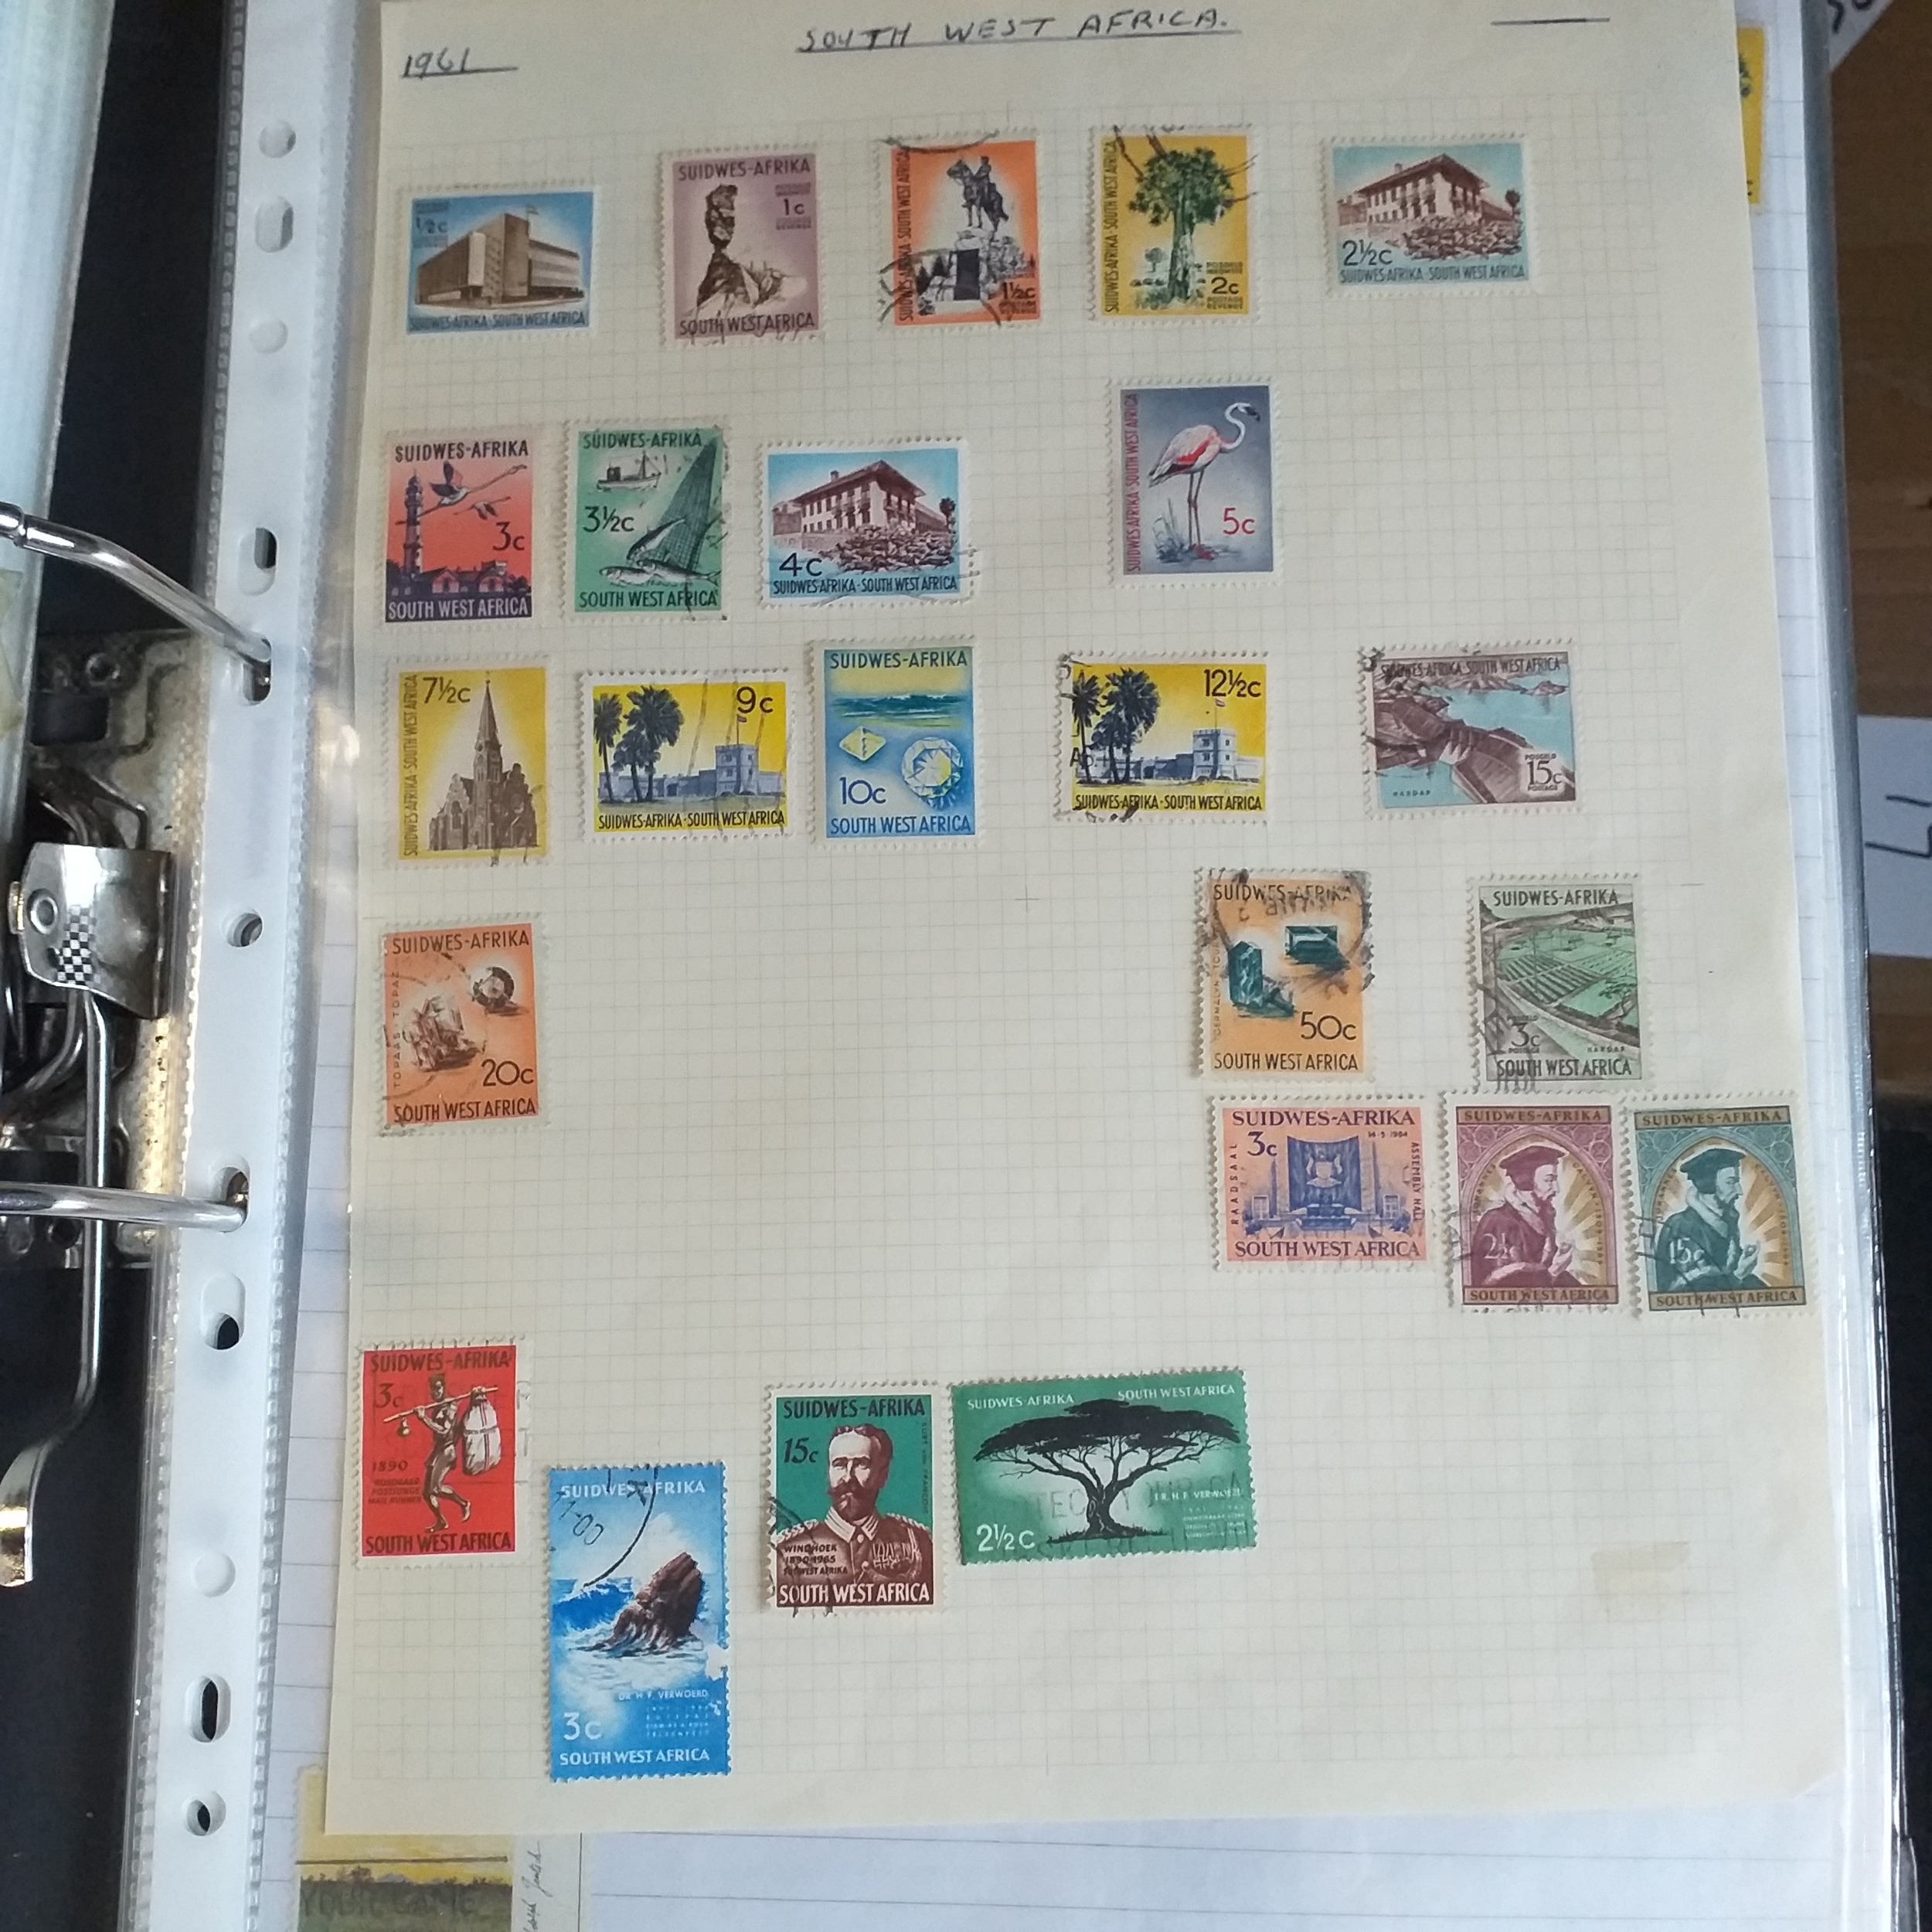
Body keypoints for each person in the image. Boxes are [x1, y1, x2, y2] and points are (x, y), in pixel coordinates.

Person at [774, 1423, 933, 1598]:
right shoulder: (788, 1549)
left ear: (883, 1475)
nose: (848, 1477)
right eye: (839, 1465)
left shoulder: (919, 1543)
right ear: (828, 1472)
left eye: (861, 1464)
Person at [1655, 1145, 1763, 1292]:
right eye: (1731, 1182)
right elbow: (1691, 1291)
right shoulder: (1682, 1226)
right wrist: (1738, 1274)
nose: (1739, 1191)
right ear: (1708, 1184)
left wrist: (1743, 1260)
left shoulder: (1727, 1221)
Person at [1469, 1143, 1577, 1287]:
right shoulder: (1497, 1221)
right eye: (1549, 1180)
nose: (1556, 1189)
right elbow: (1500, 1286)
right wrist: (1554, 1271)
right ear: (1527, 1181)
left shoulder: (1544, 1219)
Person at [417, 1372, 474, 1532]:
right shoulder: (436, 1407)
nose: (435, 1392)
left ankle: (464, 1503)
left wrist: (424, 1419)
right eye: (433, 1389)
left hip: (447, 1450)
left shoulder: (451, 1406)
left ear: (443, 1388)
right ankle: (441, 1521)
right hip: (437, 1451)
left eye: (438, 1388)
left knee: (436, 1489)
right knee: (427, 1493)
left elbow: (444, 1430)